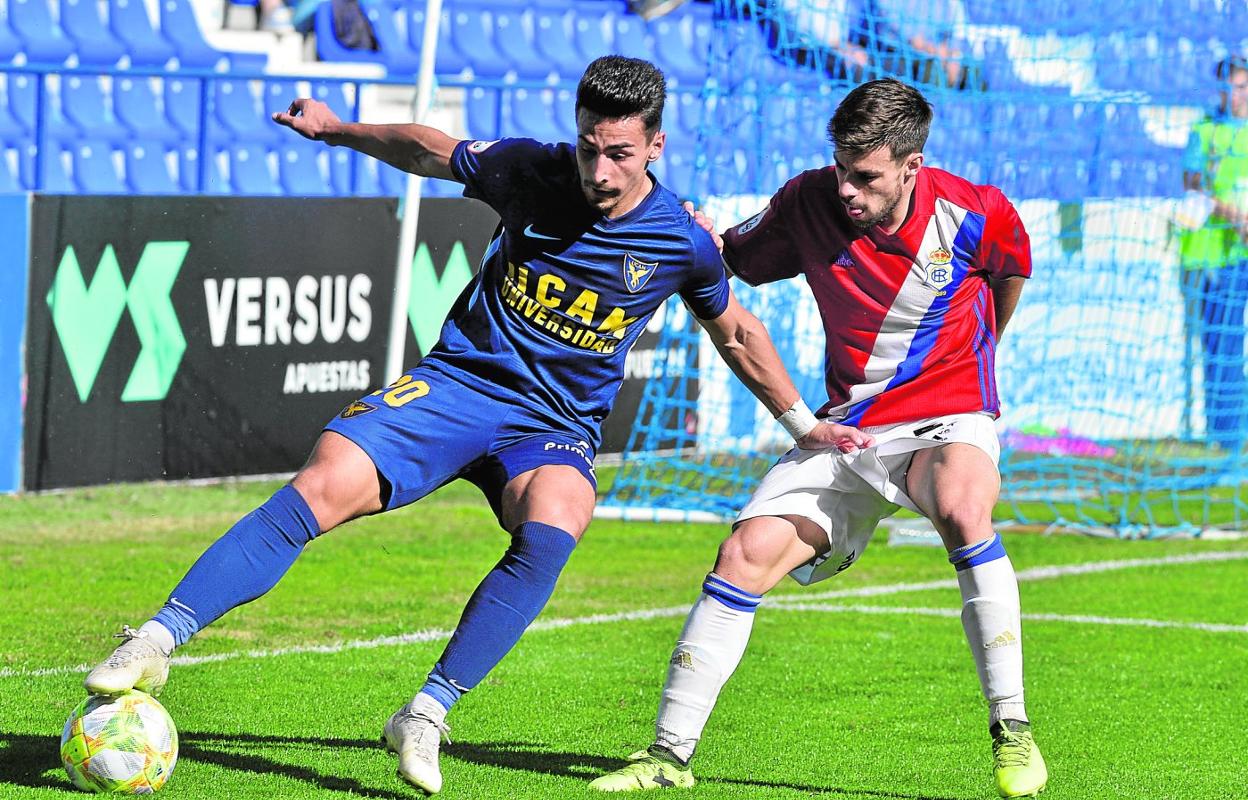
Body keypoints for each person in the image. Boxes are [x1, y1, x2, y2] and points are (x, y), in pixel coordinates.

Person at [80, 56, 873, 796]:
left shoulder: (679, 239)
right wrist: (335, 128)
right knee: (325, 482)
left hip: (553, 425)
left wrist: (803, 424)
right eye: (590, 146)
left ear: (654, 145)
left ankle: (424, 713)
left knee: (559, 517)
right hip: (457, 385)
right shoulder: (531, 170)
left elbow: (736, 331)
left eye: (620, 154)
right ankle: (154, 640)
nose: (599, 170)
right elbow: (430, 148)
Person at [589, 78, 1047, 799]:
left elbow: (1010, 274)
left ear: (911, 166)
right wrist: (703, 233)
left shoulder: (975, 210)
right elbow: (736, 260)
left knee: (963, 508)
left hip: (951, 410)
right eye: (840, 169)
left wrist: (973, 359)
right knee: (744, 553)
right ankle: (668, 756)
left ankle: (1013, 732)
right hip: (850, 426)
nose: (847, 190)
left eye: (864, 176)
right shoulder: (808, 200)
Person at [1178, 55, 1248, 453]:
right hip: (1219, 256)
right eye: (1227, 87)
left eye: (1240, 86)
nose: (1233, 95)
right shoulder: (1205, 131)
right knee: (1223, 345)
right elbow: (1193, 182)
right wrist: (1234, 215)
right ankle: (1224, 437)